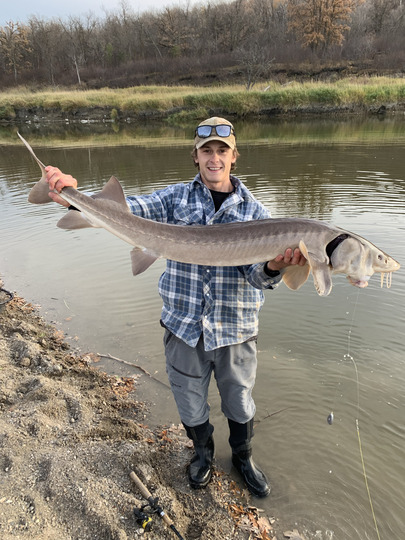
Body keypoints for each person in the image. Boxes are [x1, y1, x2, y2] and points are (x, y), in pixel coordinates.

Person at [45, 117, 306, 498]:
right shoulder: (174, 199)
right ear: (195, 157)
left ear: (234, 157)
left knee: (239, 401)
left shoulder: (258, 214)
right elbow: (130, 208)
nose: (214, 158)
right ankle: (202, 454)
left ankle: (242, 457)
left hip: (235, 329)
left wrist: (276, 265)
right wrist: (72, 194)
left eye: (222, 151)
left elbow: (257, 277)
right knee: (189, 399)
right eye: (206, 151)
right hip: (182, 325)